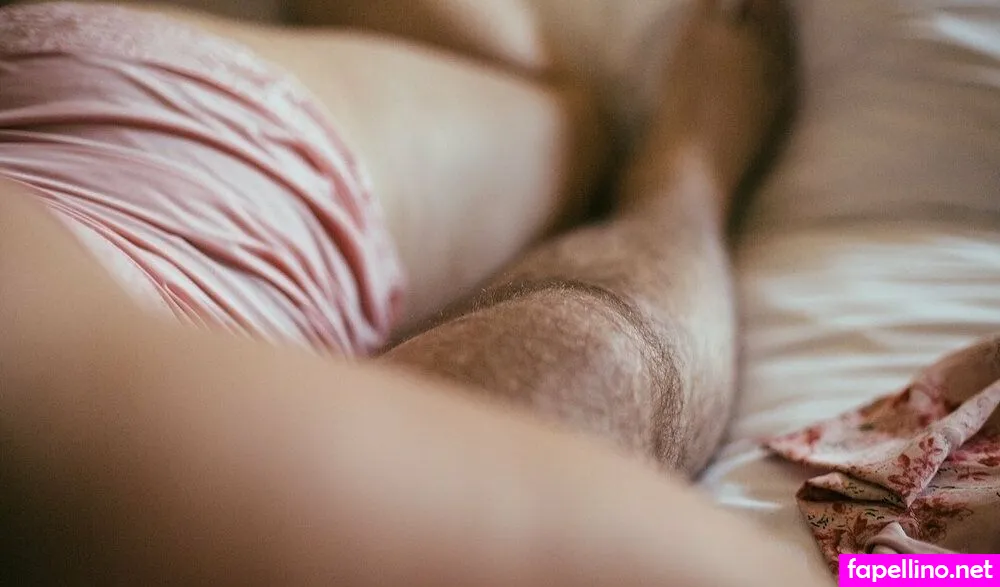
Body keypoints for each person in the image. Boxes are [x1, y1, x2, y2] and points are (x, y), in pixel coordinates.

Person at [0, 0, 829, 584]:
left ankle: (679, 179)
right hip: (125, 147)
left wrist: (911, 573)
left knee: (570, 124)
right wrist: (908, 573)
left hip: (167, 158)